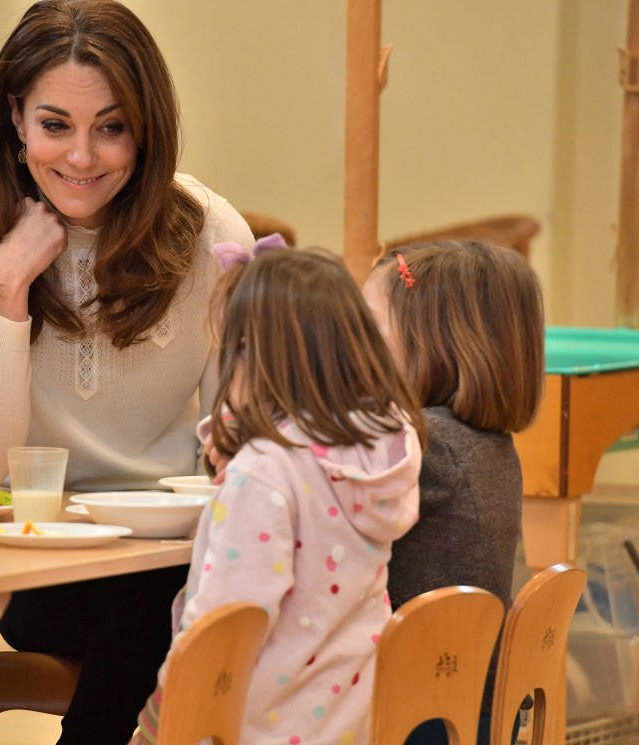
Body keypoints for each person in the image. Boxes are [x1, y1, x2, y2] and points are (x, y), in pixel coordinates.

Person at [0, 1, 254, 742]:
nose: (81, 157)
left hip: (174, 553)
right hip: (35, 564)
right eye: (55, 126)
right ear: (14, 117)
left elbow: (234, 439)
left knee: (173, 586)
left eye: (111, 126)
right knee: (160, 604)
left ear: (146, 127)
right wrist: (4, 294)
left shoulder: (207, 234)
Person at [131, 246, 425, 745]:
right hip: (348, 725)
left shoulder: (265, 473)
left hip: (245, 726)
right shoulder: (369, 454)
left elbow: (222, 628)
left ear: (251, 356)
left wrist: (160, 718)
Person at [361, 241, 545, 745]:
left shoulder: (425, 445)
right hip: (474, 703)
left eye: (370, 328)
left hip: (423, 713)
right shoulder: (488, 443)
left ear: (434, 343)